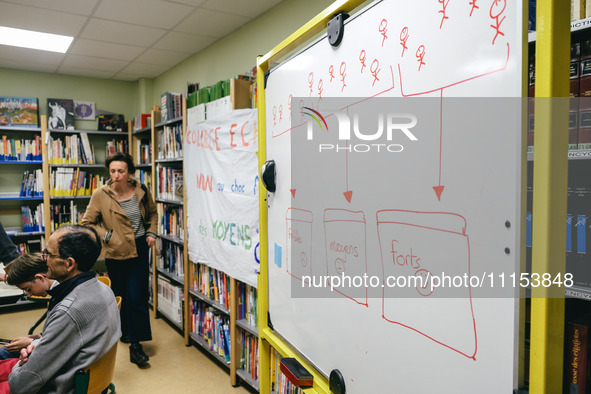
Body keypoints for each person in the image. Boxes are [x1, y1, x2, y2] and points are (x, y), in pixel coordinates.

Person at [0, 225, 120, 393]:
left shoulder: (69, 310)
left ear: (69, 263)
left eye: (48, 254)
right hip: (84, 376)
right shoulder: (103, 287)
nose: (43, 259)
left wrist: (18, 368)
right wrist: (43, 342)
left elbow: (20, 385)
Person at [81, 152, 157, 366]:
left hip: (140, 249)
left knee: (137, 296)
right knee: (120, 294)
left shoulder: (141, 190)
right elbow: (87, 223)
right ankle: (124, 331)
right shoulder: (100, 194)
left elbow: (152, 214)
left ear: (129, 173)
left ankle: (136, 345)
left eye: (121, 171)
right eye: (113, 171)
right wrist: (108, 236)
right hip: (116, 251)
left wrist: (151, 232)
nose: (116, 175)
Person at [0, 253, 57, 361]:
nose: (29, 295)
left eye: (28, 289)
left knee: (4, 355)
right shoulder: (56, 294)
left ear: (40, 278)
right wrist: (40, 336)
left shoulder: (62, 299)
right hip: (47, 345)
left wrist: (32, 342)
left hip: (52, 355)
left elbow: (62, 342)